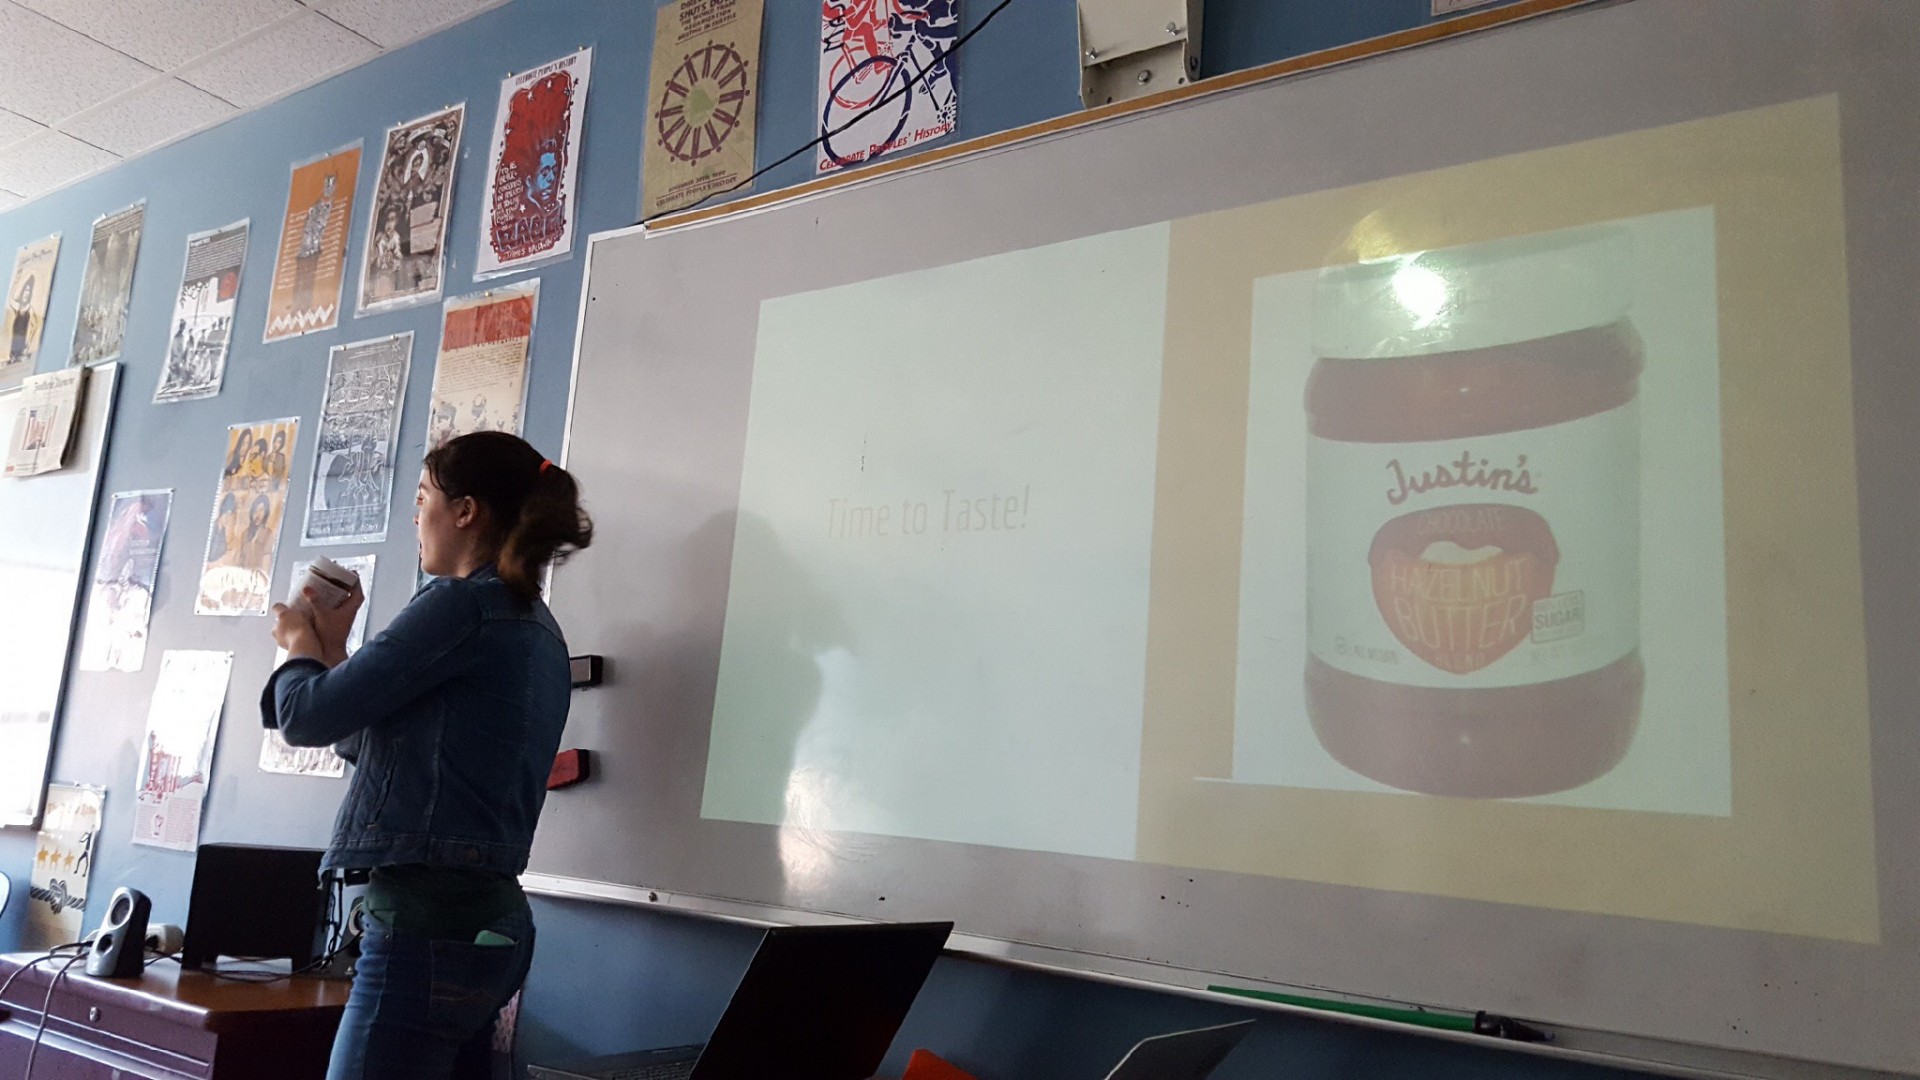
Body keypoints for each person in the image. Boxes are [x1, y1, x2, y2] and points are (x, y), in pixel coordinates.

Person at [263, 431, 592, 1080]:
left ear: (465, 510)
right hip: (487, 927)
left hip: (427, 923)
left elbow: (302, 716)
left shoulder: (462, 607)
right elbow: (371, 744)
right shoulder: (537, 630)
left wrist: (298, 644)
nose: (416, 518)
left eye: (423, 499)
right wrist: (332, 651)